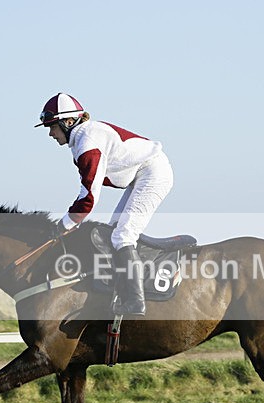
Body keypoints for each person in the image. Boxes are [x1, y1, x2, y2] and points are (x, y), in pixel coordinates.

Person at [35, 93, 173, 316]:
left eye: (52, 127)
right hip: (142, 173)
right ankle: (121, 289)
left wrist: (63, 225)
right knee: (113, 234)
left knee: (123, 236)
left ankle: (135, 303)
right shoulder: (81, 139)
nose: (50, 133)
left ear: (68, 122)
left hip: (153, 172)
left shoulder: (87, 142)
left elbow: (89, 196)